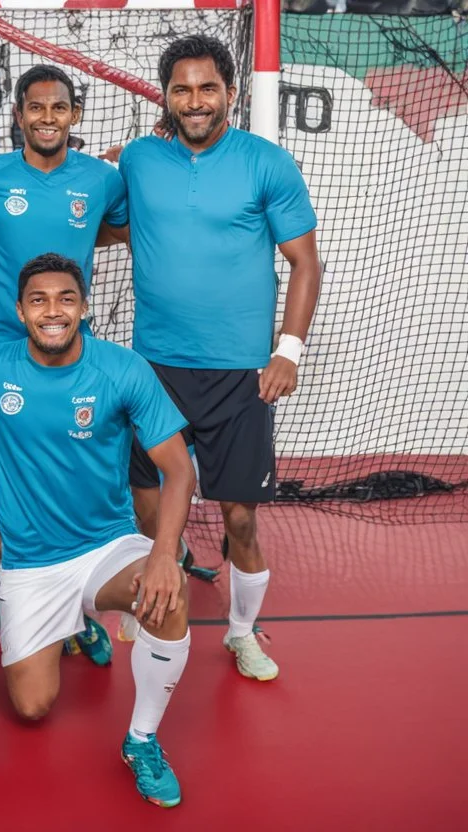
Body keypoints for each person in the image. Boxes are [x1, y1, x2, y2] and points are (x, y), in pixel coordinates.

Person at [0, 253, 196, 807]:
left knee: (169, 598)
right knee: (31, 707)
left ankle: (142, 740)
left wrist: (165, 553)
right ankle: (65, 619)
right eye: (39, 301)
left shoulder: (122, 369)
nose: (54, 311)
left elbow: (178, 469)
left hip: (107, 546)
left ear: (85, 307)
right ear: (21, 311)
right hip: (30, 564)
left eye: (66, 299)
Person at [122, 36, 320, 682]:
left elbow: (304, 262)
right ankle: (160, 586)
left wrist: (286, 351)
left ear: (232, 93)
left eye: (208, 88)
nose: (196, 100)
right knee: (147, 500)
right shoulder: (140, 159)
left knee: (239, 514)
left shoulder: (267, 163)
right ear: (166, 97)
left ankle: (241, 632)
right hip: (155, 367)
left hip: (240, 374)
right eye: (182, 89)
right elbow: (92, 215)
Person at [0, 64, 128, 656]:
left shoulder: (102, 180)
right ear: (18, 114)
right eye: (36, 108)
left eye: (59, 107)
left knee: (70, 495)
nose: (47, 118)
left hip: (65, 361)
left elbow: (122, 232)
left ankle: (77, 608)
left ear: (75, 114)